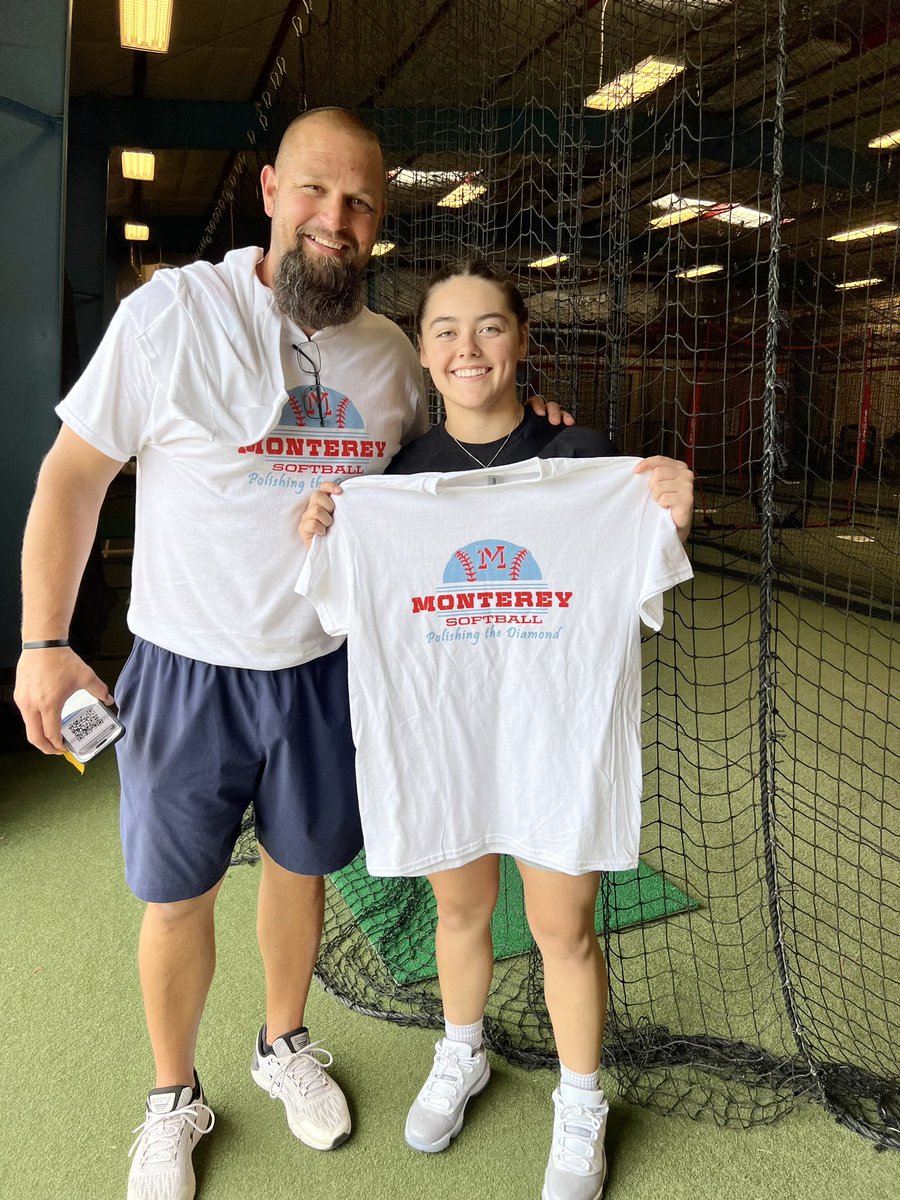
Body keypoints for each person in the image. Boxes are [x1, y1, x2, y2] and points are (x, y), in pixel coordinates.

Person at [13, 111, 570, 1200]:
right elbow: (73, 479)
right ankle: (171, 1097)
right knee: (174, 897)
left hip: (325, 669)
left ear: (378, 226)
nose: (338, 219)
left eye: (361, 204)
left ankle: (282, 1044)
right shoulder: (174, 314)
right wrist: (42, 642)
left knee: (302, 871)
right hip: (187, 664)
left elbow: (452, 450)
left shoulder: (389, 355)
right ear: (271, 190)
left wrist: (532, 419)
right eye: (318, 192)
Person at [299, 260, 694, 1200]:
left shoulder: (593, 461)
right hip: (448, 743)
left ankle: (582, 1099)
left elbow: (647, 570)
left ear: (520, 342)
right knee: (460, 909)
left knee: (564, 927)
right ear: (424, 355)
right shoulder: (388, 485)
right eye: (444, 330)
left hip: (557, 742)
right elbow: (339, 602)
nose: (466, 347)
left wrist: (673, 504)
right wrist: (326, 525)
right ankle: (462, 1050)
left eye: (487, 327)